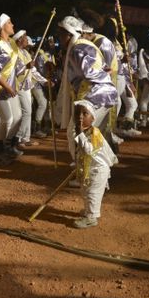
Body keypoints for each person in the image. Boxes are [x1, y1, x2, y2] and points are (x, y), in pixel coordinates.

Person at [56, 15, 117, 160]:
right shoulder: (82, 45)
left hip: (95, 96)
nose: (58, 38)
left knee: (78, 133)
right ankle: (94, 172)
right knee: (89, 134)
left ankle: (85, 172)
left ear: (69, 34)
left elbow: (91, 73)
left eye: (61, 34)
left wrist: (101, 74)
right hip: (101, 95)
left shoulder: (78, 48)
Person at [72, 99, 118, 229]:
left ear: (92, 118)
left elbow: (89, 150)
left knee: (93, 193)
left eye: (84, 114)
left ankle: (91, 217)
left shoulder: (95, 133)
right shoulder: (83, 132)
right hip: (89, 169)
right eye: (78, 114)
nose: (80, 117)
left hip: (98, 170)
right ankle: (88, 212)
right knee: (85, 191)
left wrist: (80, 134)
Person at [0, 13, 23, 164]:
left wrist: (27, 67)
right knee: (7, 119)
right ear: (2, 27)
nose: (13, 25)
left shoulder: (12, 44)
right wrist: (7, 86)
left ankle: (7, 145)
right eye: (10, 22)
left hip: (10, 88)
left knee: (18, 117)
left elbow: (15, 67)